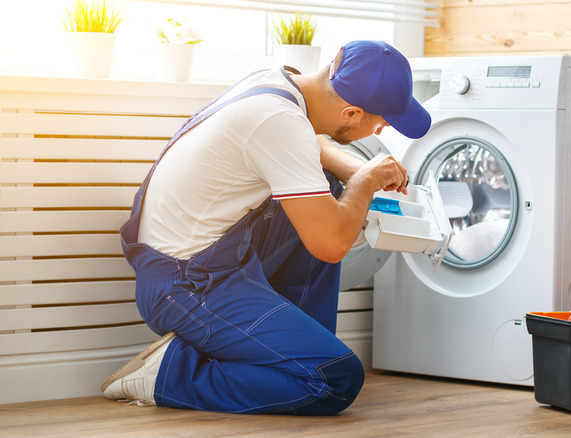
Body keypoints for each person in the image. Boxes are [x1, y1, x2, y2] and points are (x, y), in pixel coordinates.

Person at [100, 40, 431, 415]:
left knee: (327, 187)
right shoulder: (279, 122)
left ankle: (297, 351)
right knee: (336, 380)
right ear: (351, 113)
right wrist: (365, 183)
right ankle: (167, 375)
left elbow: (305, 146)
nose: (383, 130)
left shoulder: (278, 86)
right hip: (185, 285)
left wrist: (354, 169)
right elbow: (332, 244)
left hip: (208, 261)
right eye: (382, 122)